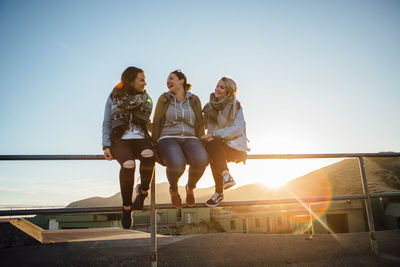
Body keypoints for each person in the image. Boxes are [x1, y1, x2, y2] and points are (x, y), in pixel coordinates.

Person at [102, 66, 155, 229]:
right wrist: (106, 145)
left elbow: (148, 124)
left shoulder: (147, 99)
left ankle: (143, 192)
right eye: (141, 80)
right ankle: (126, 208)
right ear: (131, 81)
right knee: (129, 164)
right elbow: (107, 122)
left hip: (140, 137)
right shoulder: (114, 97)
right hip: (120, 139)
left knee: (148, 154)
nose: (145, 83)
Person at [152, 70, 208, 208]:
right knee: (177, 163)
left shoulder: (194, 99)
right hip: (168, 136)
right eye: (167, 79)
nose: (168, 81)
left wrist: (201, 139)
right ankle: (174, 189)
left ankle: (190, 187)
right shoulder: (164, 98)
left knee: (202, 159)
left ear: (181, 81)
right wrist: (153, 143)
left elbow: (200, 122)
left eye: (171, 78)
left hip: (190, 137)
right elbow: (157, 121)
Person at [201, 77, 249, 207]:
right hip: (217, 146)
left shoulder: (236, 105)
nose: (217, 89)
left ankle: (219, 191)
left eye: (222, 87)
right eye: (217, 86)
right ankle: (226, 177)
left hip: (235, 147)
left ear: (229, 91)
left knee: (213, 147)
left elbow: (238, 128)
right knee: (211, 146)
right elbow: (203, 125)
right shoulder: (209, 107)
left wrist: (215, 134)